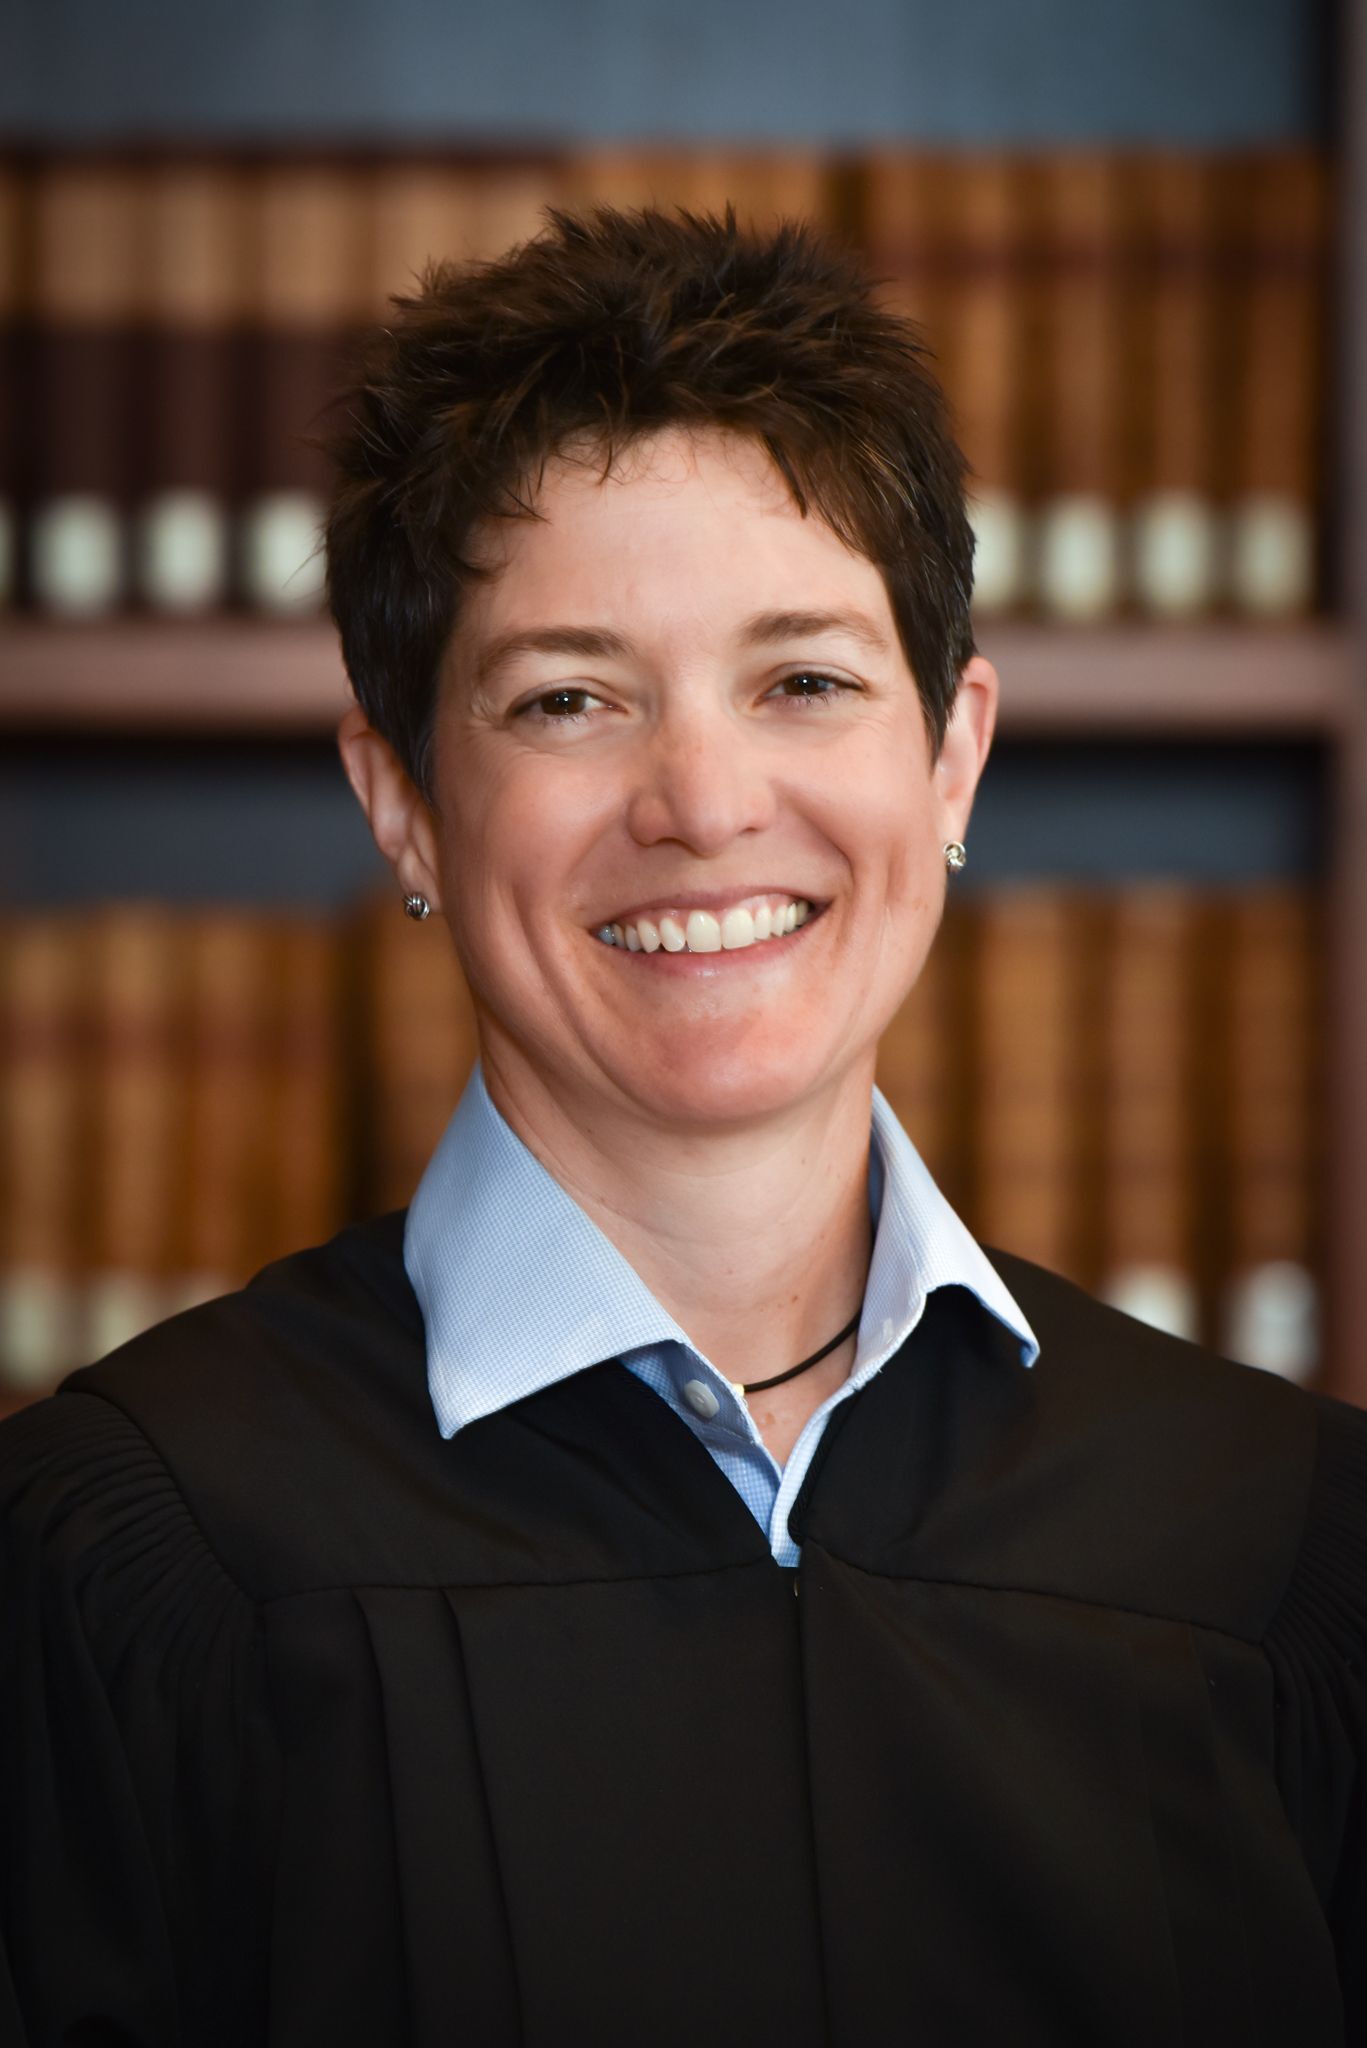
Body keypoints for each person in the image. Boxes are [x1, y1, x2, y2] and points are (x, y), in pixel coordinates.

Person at [1, 204, 1363, 2047]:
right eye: (571, 700)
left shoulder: (1275, 1543)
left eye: (805, 681)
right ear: (401, 800)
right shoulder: (139, 1551)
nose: (705, 805)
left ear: (951, 758)